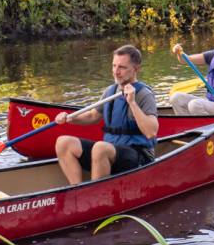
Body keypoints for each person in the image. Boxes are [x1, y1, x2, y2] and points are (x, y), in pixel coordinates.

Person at [54, 45, 160, 184]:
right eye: (114, 66)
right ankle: (77, 190)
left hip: (138, 155)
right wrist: (69, 118)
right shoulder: (110, 91)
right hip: (110, 152)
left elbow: (151, 132)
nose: (116, 72)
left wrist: (132, 103)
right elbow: (92, 116)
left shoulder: (144, 94)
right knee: (63, 143)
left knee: (100, 148)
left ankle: (96, 196)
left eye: (122, 67)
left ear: (136, 69)